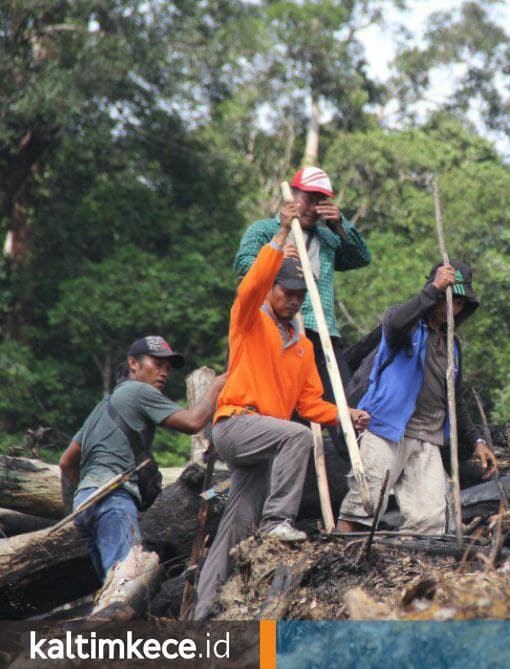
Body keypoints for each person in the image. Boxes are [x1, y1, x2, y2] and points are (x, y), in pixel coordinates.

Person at [193, 219, 370, 621]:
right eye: (285, 292)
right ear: (272, 290)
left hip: (262, 444)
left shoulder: (303, 345)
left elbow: (311, 405)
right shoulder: (250, 320)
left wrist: (345, 416)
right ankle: (279, 521)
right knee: (296, 438)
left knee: (234, 528)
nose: (291, 300)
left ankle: (200, 614)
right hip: (235, 425)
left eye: (297, 295)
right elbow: (250, 284)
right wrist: (276, 243)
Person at [337, 261, 498, 534]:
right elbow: (394, 324)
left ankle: (411, 568)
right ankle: (338, 563)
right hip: (385, 428)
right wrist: (435, 288)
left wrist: (477, 441)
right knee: (363, 504)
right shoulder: (407, 327)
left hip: (426, 437)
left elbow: (455, 401)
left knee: (430, 519)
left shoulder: (452, 346)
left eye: (458, 303)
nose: (452, 308)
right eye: (447, 300)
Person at [58, 336, 226, 577]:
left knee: (110, 588)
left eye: (168, 368)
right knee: (128, 583)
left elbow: (66, 462)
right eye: (157, 365)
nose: (164, 373)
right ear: (133, 364)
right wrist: (217, 386)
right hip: (114, 500)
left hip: (84, 504)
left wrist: (90, 495)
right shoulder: (139, 390)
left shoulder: (105, 404)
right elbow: (193, 422)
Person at [234, 166, 371, 449]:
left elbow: (360, 257)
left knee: (342, 404)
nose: (313, 207)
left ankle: (357, 474)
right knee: (281, 413)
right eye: (308, 198)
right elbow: (243, 266)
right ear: (292, 195)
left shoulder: (328, 239)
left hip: (323, 333)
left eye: (320, 200)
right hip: (277, 332)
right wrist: (275, 253)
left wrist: (340, 225)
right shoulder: (265, 230)